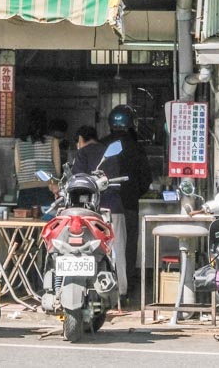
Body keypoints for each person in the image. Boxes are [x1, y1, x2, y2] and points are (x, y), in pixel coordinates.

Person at [68, 125, 127, 298]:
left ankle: (92, 290)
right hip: (114, 207)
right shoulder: (109, 151)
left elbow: (76, 180)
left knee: (90, 249)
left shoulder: (82, 153)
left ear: (80, 139)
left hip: (91, 212)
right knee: (118, 249)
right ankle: (121, 291)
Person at [100, 105, 151, 296]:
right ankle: (125, 286)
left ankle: (104, 283)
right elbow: (146, 179)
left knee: (102, 244)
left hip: (103, 206)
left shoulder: (101, 144)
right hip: (128, 205)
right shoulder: (136, 147)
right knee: (128, 246)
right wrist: (135, 193)